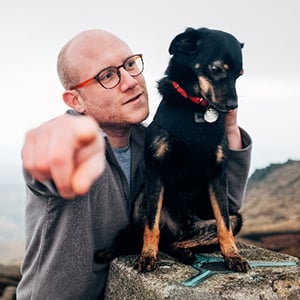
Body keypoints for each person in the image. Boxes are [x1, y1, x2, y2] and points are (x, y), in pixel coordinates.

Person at [17, 29, 252, 299]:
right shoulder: (73, 142)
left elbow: (224, 205)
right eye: (107, 75)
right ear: (75, 101)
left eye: (130, 65)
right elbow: (48, 164)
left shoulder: (155, 138)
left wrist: (230, 129)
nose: (130, 81)